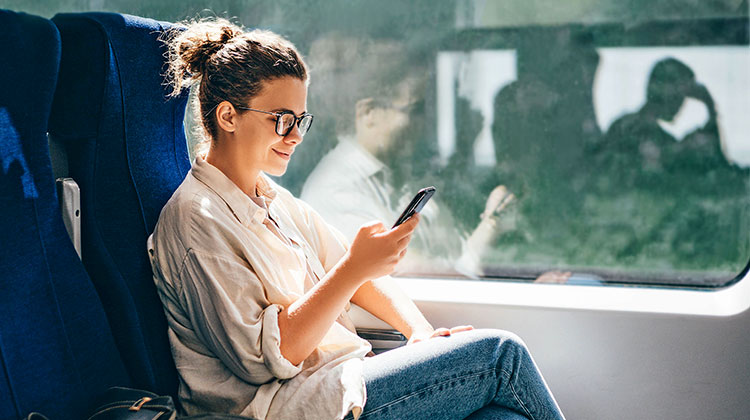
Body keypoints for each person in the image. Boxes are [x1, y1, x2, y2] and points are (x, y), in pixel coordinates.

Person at [148, 18, 565, 420]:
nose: (295, 136)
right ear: (228, 117)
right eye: (282, 120)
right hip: (284, 407)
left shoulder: (274, 200)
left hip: (342, 381)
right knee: (500, 356)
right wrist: (352, 270)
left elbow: (359, 274)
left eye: (301, 120)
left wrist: (418, 333)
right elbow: (265, 359)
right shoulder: (195, 221)